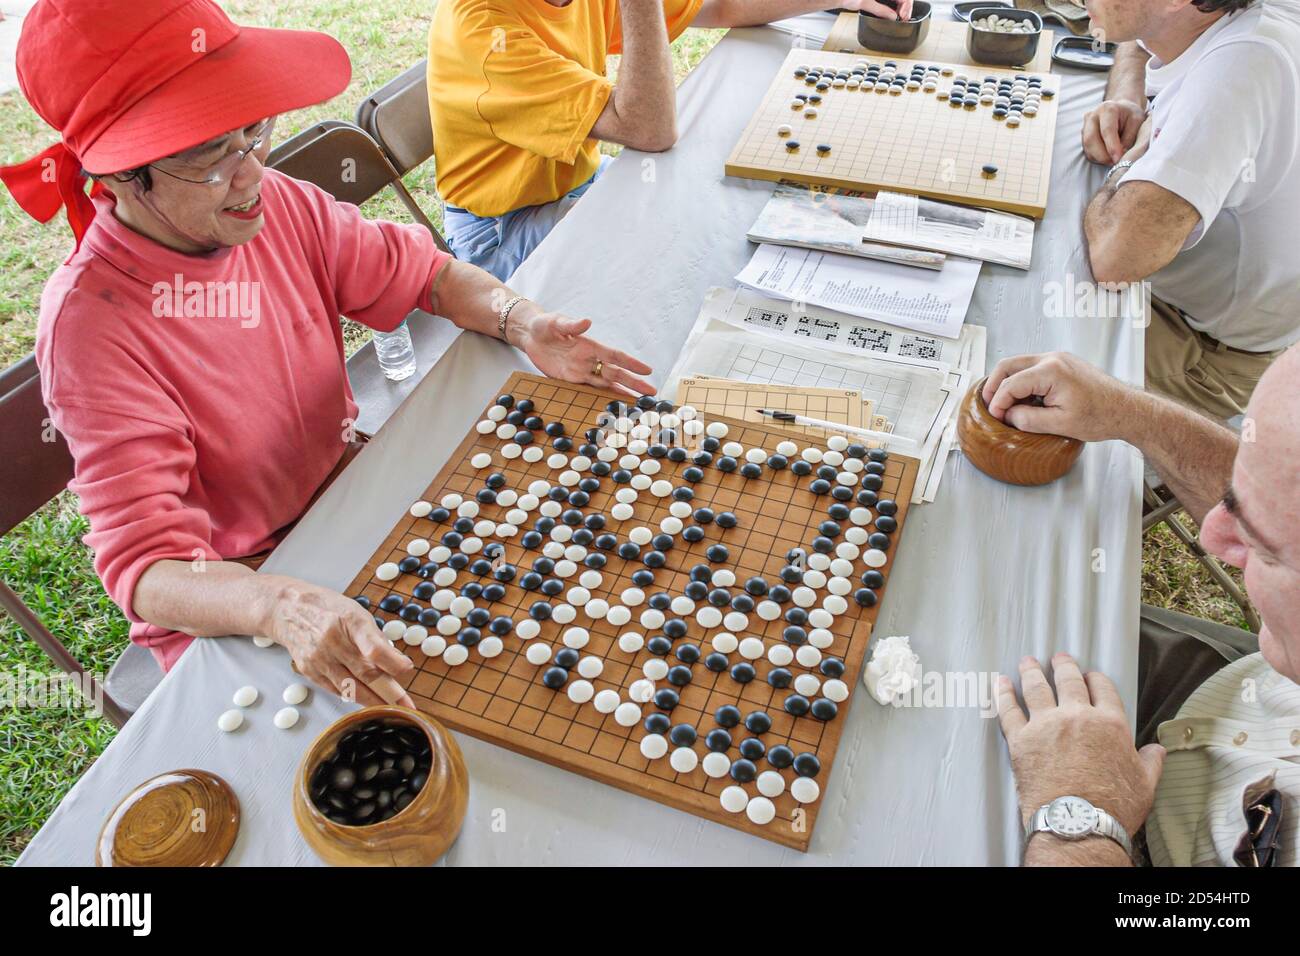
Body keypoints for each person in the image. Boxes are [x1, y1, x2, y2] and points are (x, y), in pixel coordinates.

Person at [0, 0, 653, 708]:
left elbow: (427, 274)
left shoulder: (276, 201)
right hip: (240, 593)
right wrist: (279, 605)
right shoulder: (91, 327)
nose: (249, 173)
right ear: (127, 175)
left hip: (354, 498)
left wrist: (520, 319)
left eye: (250, 130)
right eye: (207, 155)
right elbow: (149, 569)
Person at [983, 347, 1299, 865]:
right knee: (994, 608)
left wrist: (1080, 823)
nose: (1212, 537)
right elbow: (1282, 493)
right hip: (1222, 690)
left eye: (1263, 549)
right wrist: (1131, 413)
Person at [427, 0, 913, 280]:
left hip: (576, 185)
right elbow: (649, 129)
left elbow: (720, 3)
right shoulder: (485, 32)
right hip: (502, 229)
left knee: (703, 224)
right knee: (676, 261)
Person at [1079, 0, 1300, 421]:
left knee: (1003, 358)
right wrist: (1129, 96)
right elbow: (1141, 34)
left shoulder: (1240, 69)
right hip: (1180, 300)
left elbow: (1114, 257)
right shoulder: (1210, 17)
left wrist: (1138, 154)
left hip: (1205, 357)